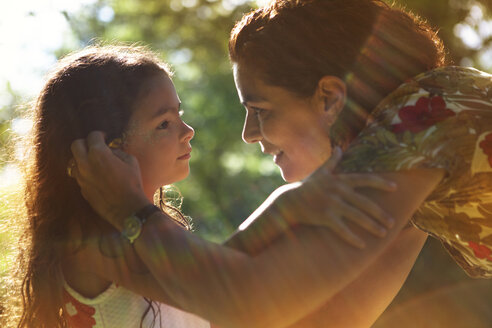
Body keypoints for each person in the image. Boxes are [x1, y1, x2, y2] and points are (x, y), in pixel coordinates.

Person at [70, 0, 492, 327]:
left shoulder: (417, 122)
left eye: (260, 108)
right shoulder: (418, 135)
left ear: (329, 98)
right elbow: (326, 319)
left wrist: (130, 212)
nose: (249, 133)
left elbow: (250, 304)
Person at [12, 44, 399, 328]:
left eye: (178, 114)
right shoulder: (90, 242)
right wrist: (290, 204)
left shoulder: (147, 231)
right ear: (103, 150)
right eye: (163, 123)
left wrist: (293, 205)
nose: (187, 131)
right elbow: (226, 291)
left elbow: (230, 264)